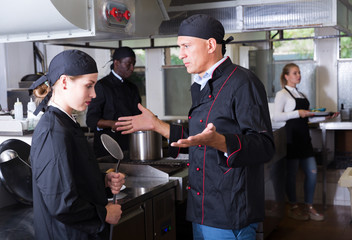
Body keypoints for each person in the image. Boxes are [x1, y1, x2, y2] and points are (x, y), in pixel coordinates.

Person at [115, 14, 275, 240]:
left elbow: (265, 146)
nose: (181, 54)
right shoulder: (201, 85)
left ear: (211, 45)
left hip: (229, 210)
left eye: (186, 46)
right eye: (179, 47)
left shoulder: (242, 82)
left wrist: (221, 141)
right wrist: (157, 125)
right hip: (201, 209)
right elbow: (199, 139)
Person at [29, 49, 125, 240]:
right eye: (88, 86)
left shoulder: (66, 122)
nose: (94, 94)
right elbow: (61, 202)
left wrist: (102, 181)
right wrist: (104, 214)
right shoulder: (52, 132)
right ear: (64, 82)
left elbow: (71, 178)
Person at [272, 63, 338, 221]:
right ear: (286, 76)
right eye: (295, 73)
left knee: (312, 172)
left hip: (304, 139)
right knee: (292, 175)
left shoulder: (302, 95)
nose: (298, 75)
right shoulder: (282, 94)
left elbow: (307, 116)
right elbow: (276, 116)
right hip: (291, 139)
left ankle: (309, 206)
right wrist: (297, 112)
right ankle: (293, 206)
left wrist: (325, 117)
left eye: (299, 73)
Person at [86, 47, 141, 158]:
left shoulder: (132, 87)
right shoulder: (101, 86)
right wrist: (112, 124)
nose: (132, 68)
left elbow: (138, 114)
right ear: (116, 63)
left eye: (133, 64)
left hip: (130, 146)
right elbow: (91, 120)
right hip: (106, 149)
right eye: (128, 64)